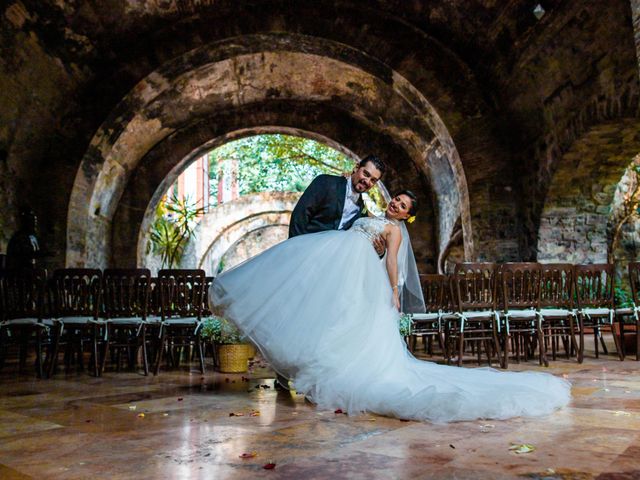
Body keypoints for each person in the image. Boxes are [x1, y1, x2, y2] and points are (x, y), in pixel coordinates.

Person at [210, 191, 571, 422]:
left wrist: (394, 292)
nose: (395, 204)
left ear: (407, 215)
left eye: (402, 205)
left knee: (353, 326)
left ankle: (340, 371)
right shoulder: (370, 215)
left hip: (359, 275)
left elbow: (392, 262)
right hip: (339, 268)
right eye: (395, 199)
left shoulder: (394, 231)